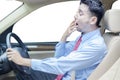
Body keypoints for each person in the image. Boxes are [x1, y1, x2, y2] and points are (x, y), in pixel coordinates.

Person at [6, 0, 107, 80]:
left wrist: (23, 61)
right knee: (26, 72)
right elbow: (58, 57)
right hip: (64, 75)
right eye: (77, 11)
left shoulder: (96, 46)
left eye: (80, 13)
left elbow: (61, 65)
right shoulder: (83, 38)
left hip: (67, 76)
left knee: (25, 72)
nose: (75, 15)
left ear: (93, 20)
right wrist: (64, 36)